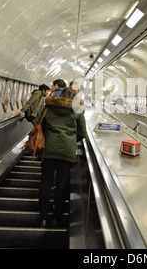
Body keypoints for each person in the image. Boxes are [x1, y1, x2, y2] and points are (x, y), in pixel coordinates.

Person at [38, 87, 87, 228]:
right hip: (67, 151)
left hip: (49, 150)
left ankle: (43, 216)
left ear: (61, 95)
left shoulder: (49, 106)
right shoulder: (77, 110)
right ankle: (57, 216)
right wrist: (71, 140)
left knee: (45, 181)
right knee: (62, 183)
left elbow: (41, 124)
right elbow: (82, 133)